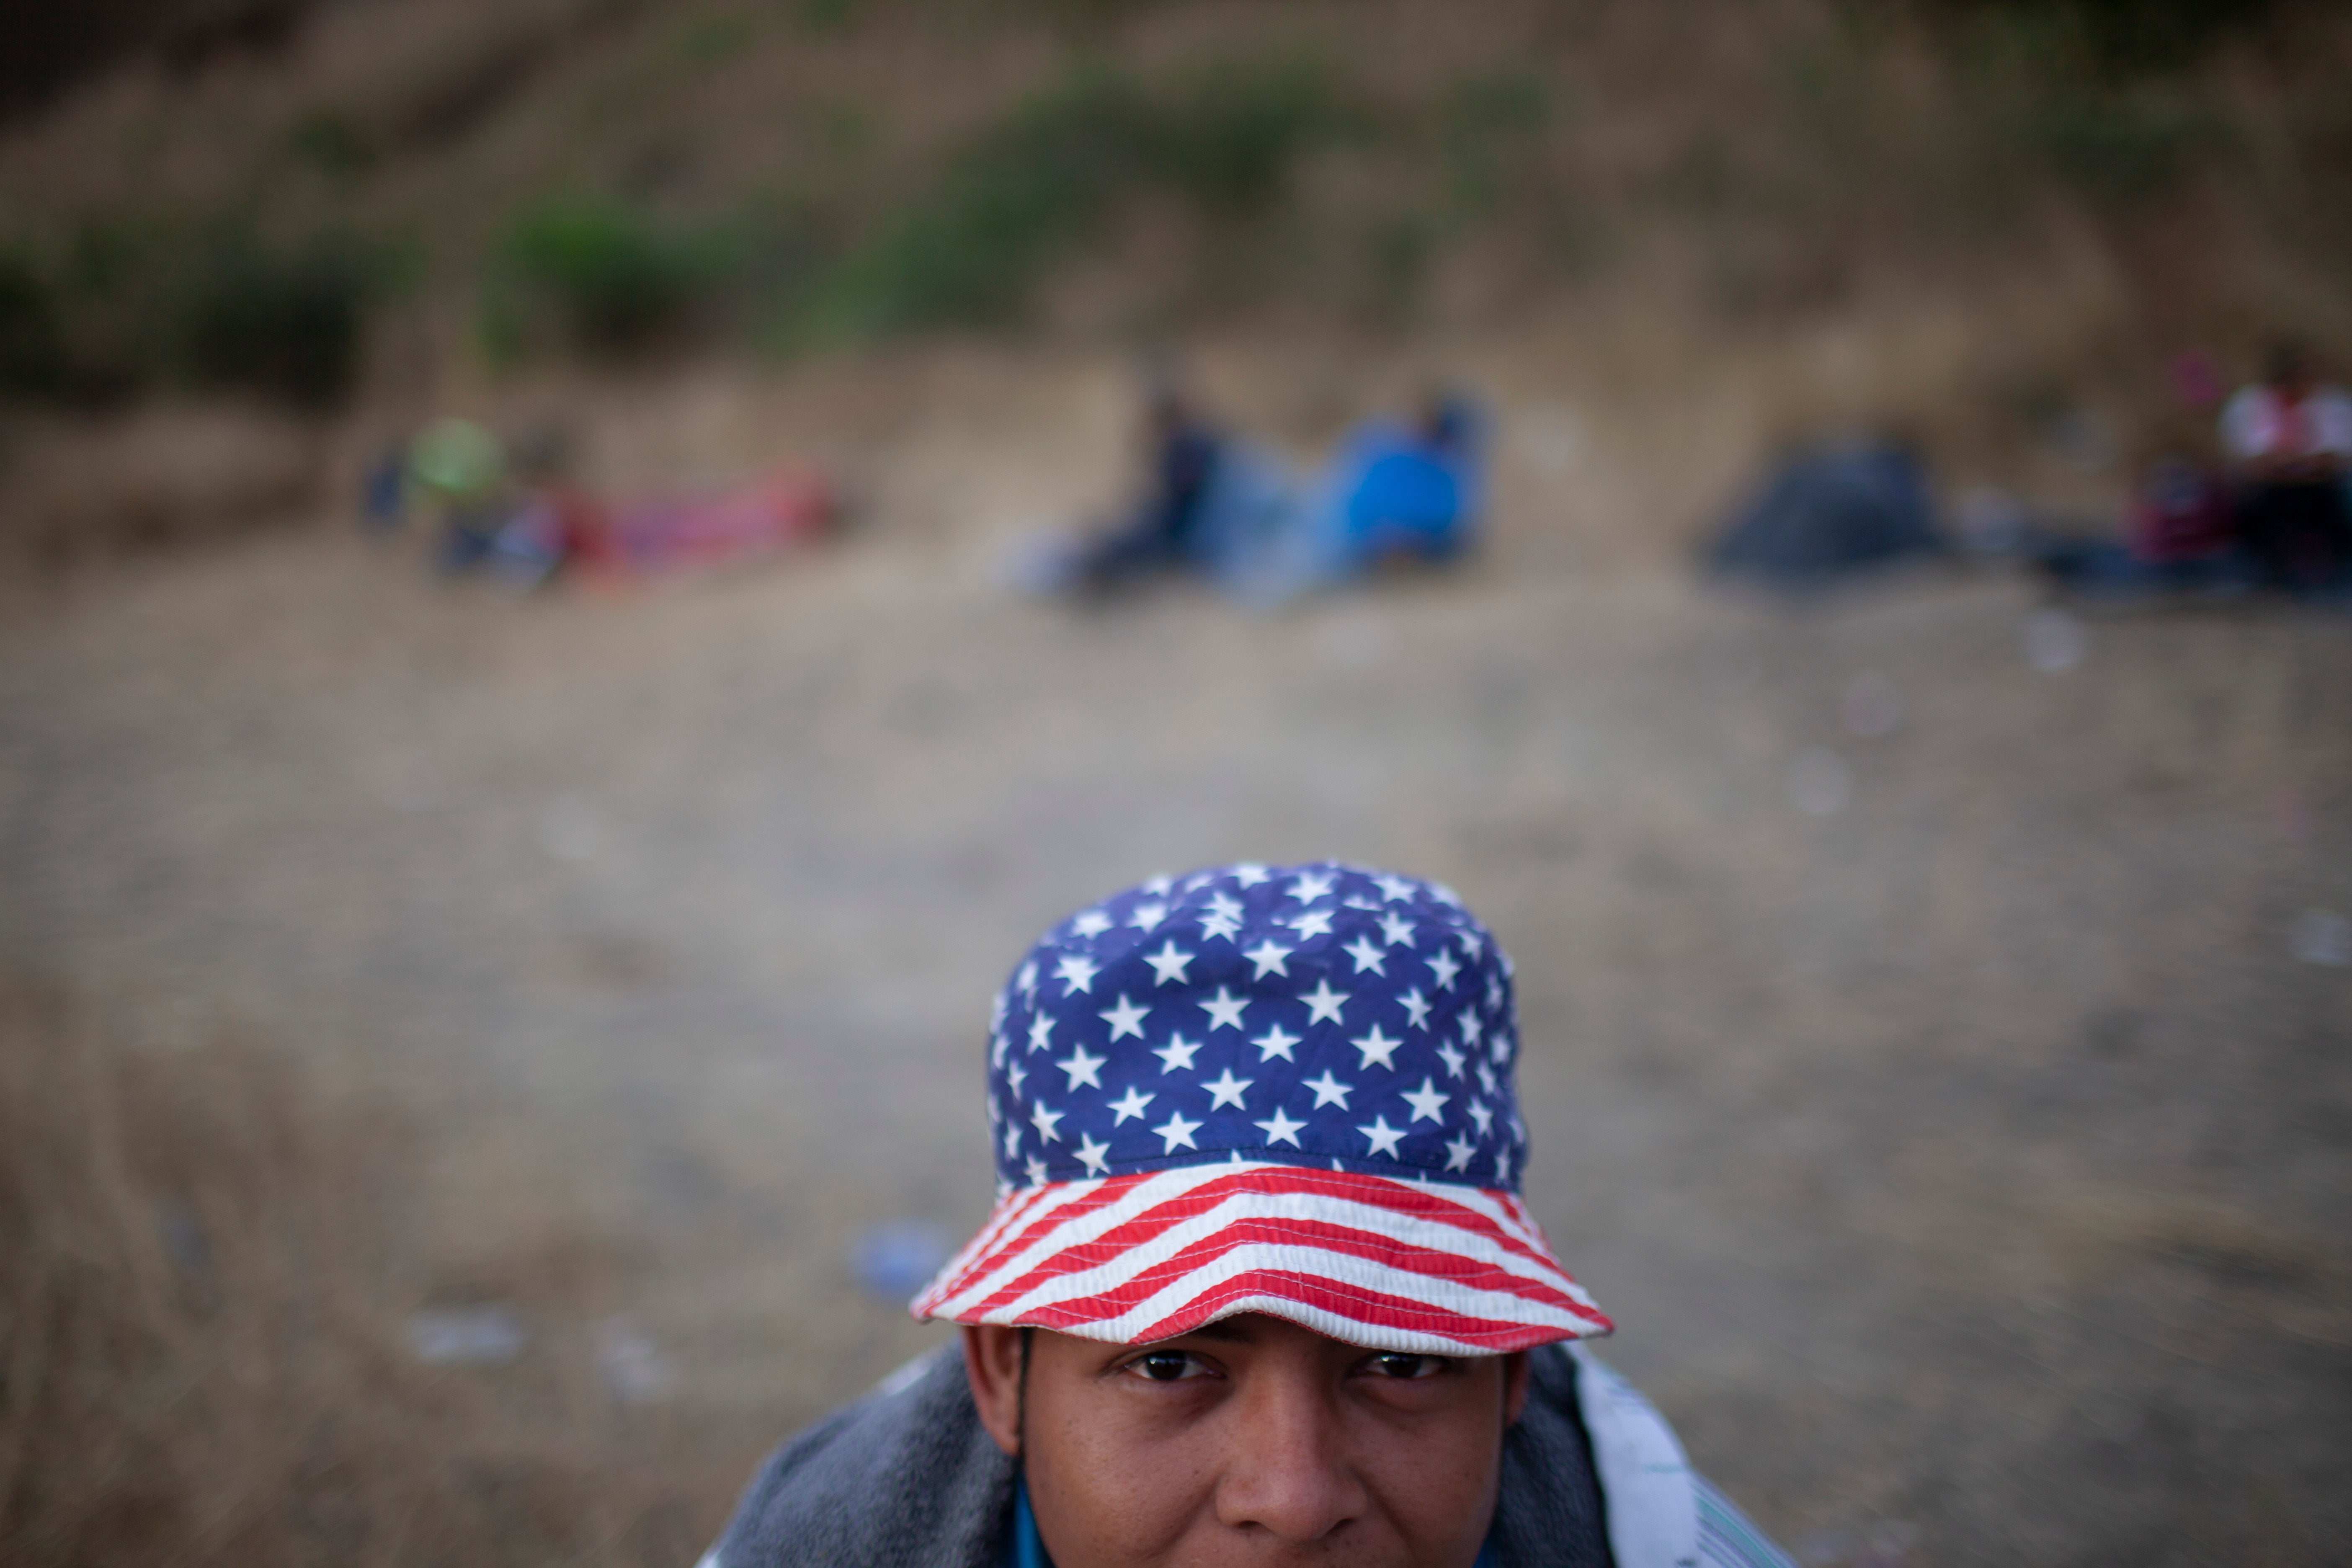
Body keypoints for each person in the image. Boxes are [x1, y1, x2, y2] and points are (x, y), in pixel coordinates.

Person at [703, 862, 1795, 1568]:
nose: (1295, 1499)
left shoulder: (1667, 1546)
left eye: (1404, 1362)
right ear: (1003, 1377)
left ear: (1512, 1376)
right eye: (1173, 1365)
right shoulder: (813, 1544)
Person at [2220, 340, 2352, 593]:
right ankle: (2270, 572)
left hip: (2323, 487)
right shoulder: (2249, 405)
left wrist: (2297, 463)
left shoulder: (2334, 404)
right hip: (2271, 489)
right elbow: (2248, 460)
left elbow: (2339, 457)